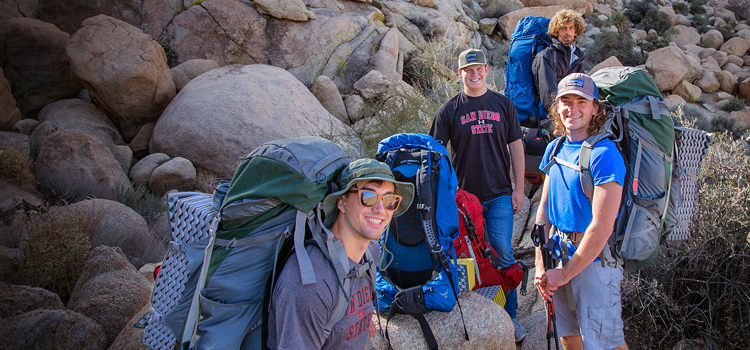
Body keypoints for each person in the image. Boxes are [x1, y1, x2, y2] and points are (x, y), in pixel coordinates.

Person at [429, 48, 528, 342]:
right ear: (460, 74)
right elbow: (435, 153)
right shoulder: (449, 110)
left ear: (487, 70)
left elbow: (517, 147)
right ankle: (481, 315)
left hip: (499, 193)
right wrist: (442, 196)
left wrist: (520, 188)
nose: (474, 75)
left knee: (501, 251)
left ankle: (510, 318)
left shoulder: (502, 104)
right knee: (468, 256)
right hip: (464, 200)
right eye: (467, 70)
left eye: (479, 69)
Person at [268, 159, 415, 349]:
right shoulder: (310, 286)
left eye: (389, 200)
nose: (381, 210)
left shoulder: (370, 252)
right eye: (368, 197)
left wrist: (360, 320)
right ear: (341, 202)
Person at [533, 73, 628, 350]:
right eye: (566, 101)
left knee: (607, 344)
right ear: (557, 106)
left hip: (594, 263)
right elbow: (543, 213)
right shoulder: (555, 148)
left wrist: (565, 274)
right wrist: (542, 267)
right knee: (569, 338)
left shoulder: (604, 155)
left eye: (581, 102)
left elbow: (601, 227)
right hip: (557, 255)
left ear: (595, 108)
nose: (572, 108)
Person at [532, 9, 586, 112]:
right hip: (550, 116)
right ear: (556, 31)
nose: (567, 32)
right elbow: (548, 95)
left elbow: (582, 87)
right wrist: (560, 115)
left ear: (576, 31)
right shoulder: (546, 56)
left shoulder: (576, 57)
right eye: (563, 28)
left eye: (571, 28)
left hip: (570, 111)